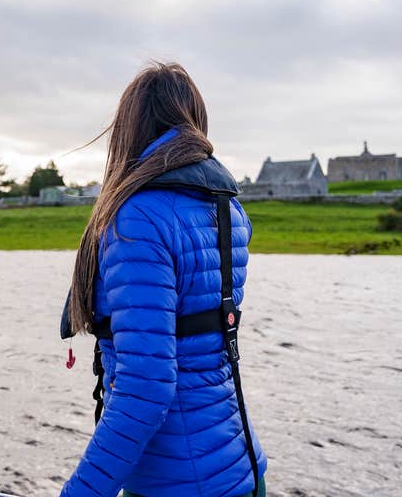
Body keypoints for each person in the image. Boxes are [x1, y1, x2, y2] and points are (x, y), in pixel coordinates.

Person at [61, 62, 268, 497]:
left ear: (129, 127)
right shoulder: (229, 209)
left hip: (173, 481)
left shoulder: (137, 217)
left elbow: (146, 388)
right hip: (241, 466)